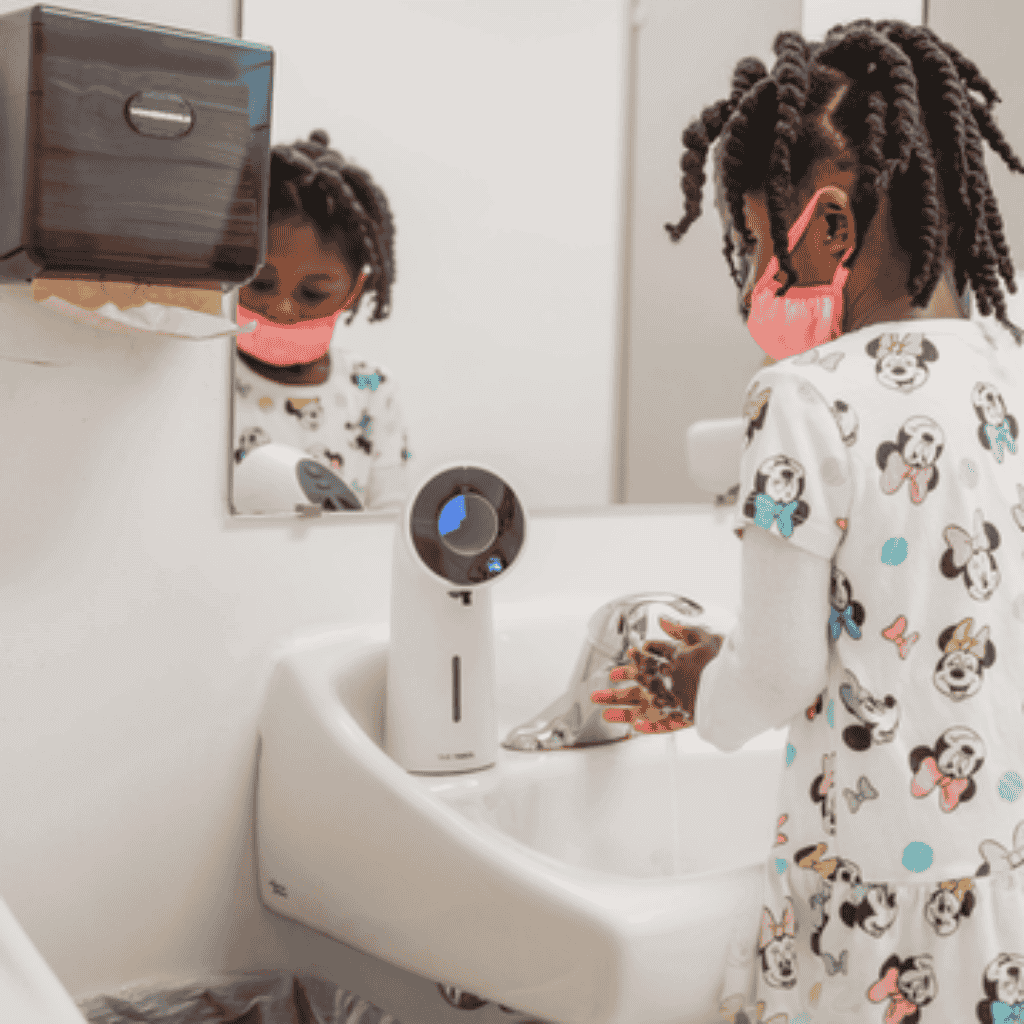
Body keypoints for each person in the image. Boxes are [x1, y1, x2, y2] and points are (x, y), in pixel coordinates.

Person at [592, 19, 1024, 1023]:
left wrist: (706, 685)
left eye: (753, 241)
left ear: (829, 226)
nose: (750, 280)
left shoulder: (801, 396)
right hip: (997, 886)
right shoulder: (1010, 366)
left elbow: (779, 674)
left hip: (863, 904)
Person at [232, 129, 411, 512]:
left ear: (353, 294)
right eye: (261, 284)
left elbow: (388, 519)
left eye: (312, 294)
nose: (281, 309)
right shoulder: (202, 387)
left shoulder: (372, 389)